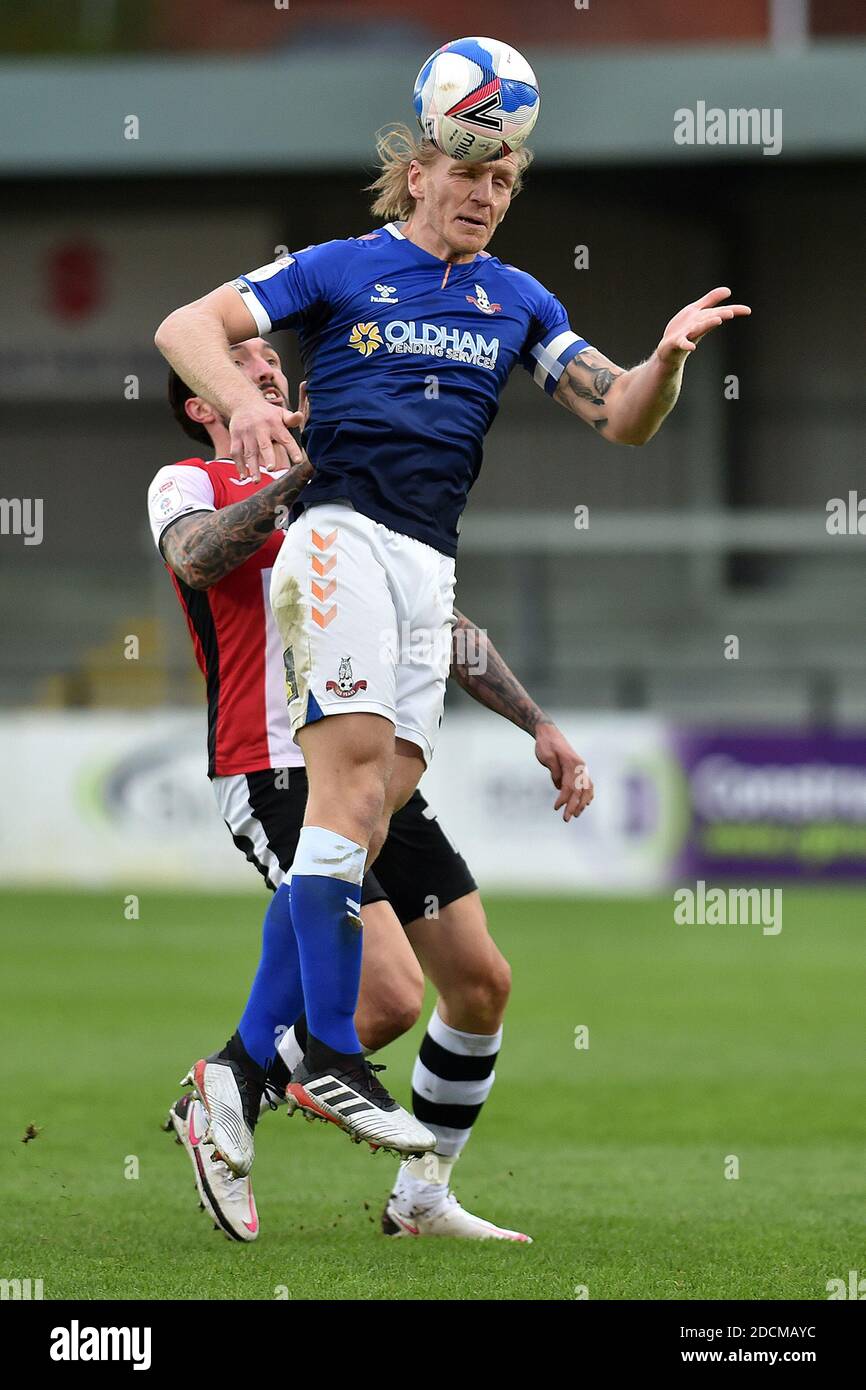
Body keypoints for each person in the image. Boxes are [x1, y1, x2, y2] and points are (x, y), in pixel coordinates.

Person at [154, 120, 747, 1153]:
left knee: (384, 823)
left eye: (504, 179)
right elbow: (183, 329)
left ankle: (251, 1080)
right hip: (337, 538)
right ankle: (322, 1055)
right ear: (418, 174)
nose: (487, 193)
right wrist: (238, 403)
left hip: (426, 562)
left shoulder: (518, 299)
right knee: (348, 807)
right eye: (470, 172)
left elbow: (619, 416)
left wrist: (663, 361)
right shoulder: (339, 270)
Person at [150, 338, 593, 1241]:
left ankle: (421, 1195)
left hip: (374, 763)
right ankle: (230, 1084)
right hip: (273, 762)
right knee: (389, 996)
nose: (266, 366)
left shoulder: (350, 498)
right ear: (206, 401)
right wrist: (297, 480)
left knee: (478, 985)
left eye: (272, 359)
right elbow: (197, 561)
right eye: (241, 361)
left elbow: (440, 620)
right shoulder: (187, 482)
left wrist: (538, 723)